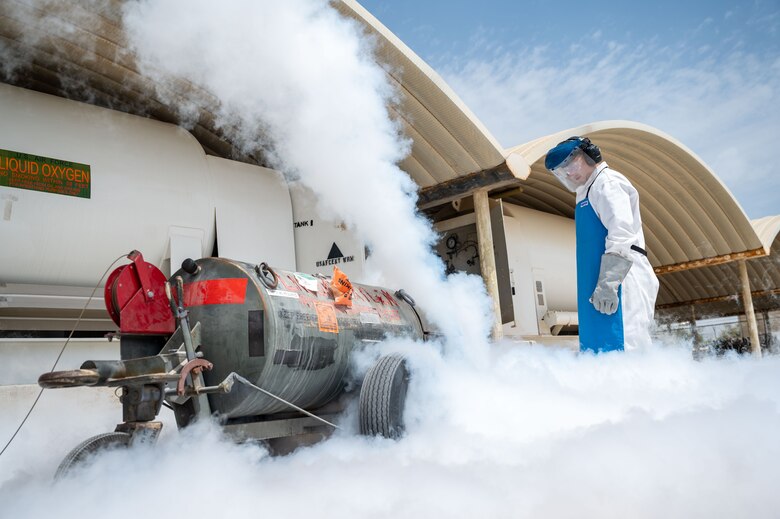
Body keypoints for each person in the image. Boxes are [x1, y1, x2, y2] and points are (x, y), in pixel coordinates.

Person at [544, 136, 659, 352]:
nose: (568, 173)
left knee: (626, 344)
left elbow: (622, 234)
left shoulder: (608, 183)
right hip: (600, 280)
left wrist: (609, 282)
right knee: (598, 346)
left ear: (590, 155)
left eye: (571, 163)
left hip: (623, 278)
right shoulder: (586, 191)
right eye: (562, 170)